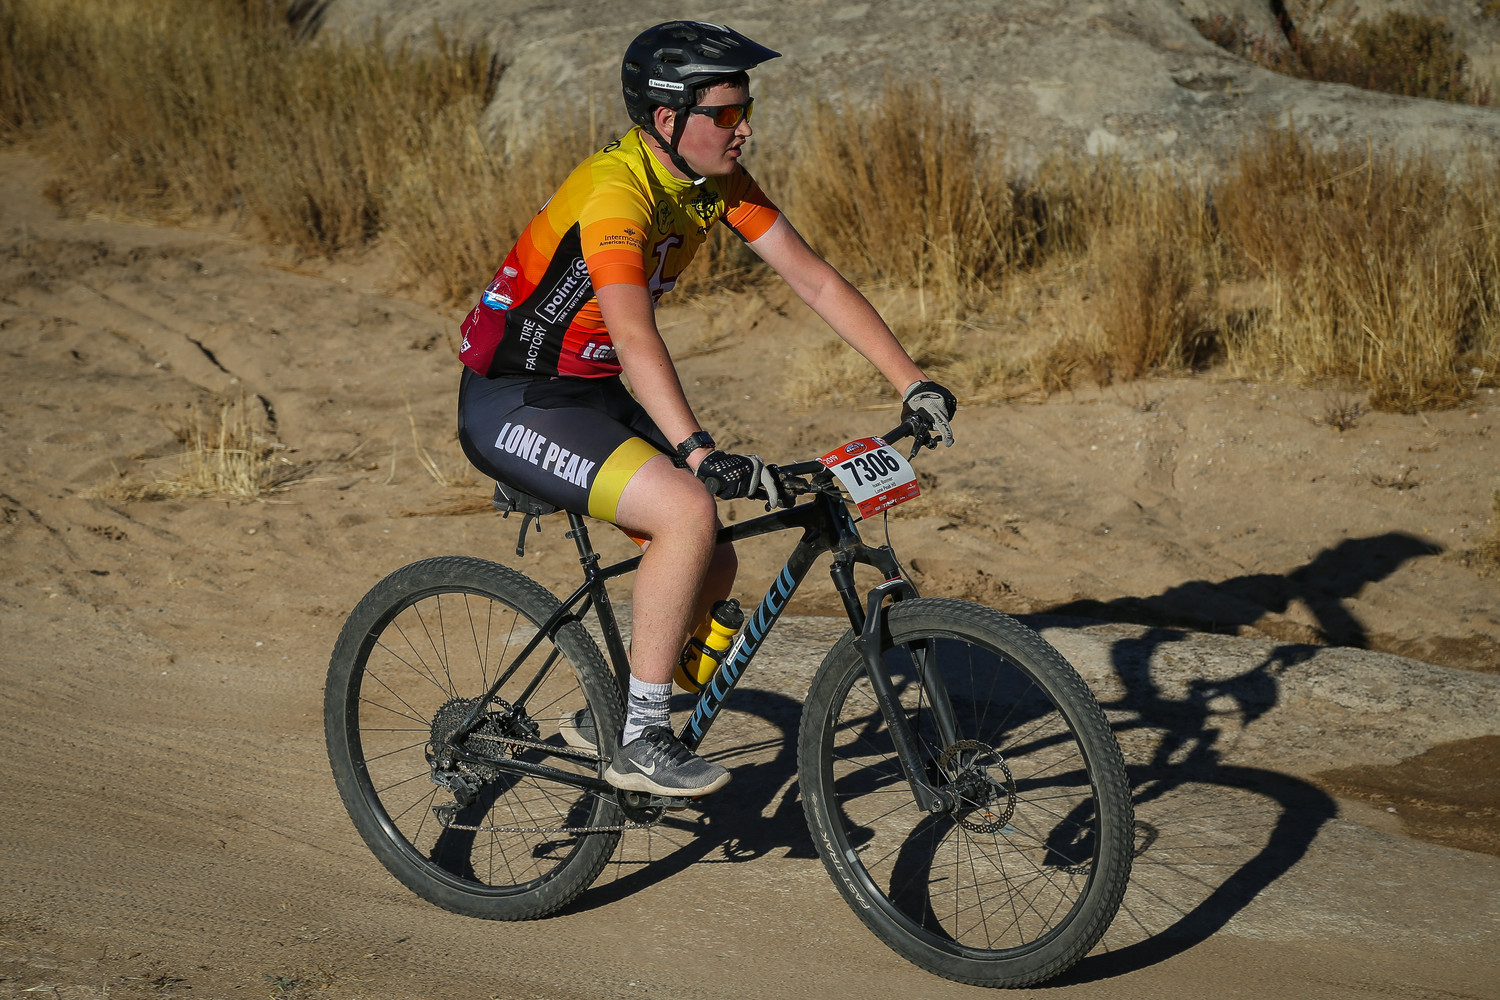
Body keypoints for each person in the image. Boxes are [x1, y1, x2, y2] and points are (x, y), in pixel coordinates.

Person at [456, 20, 956, 798]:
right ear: (667, 119)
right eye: (725, 114)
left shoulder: (712, 183)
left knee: (713, 556)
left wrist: (912, 381)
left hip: (590, 391)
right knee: (689, 509)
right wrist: (697, 450)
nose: (743, 127)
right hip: (514, 397)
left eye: (744, 109)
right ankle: (640, 739)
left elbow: (814, 279)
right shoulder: (615, 195)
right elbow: (633, 335)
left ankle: (616, 710)